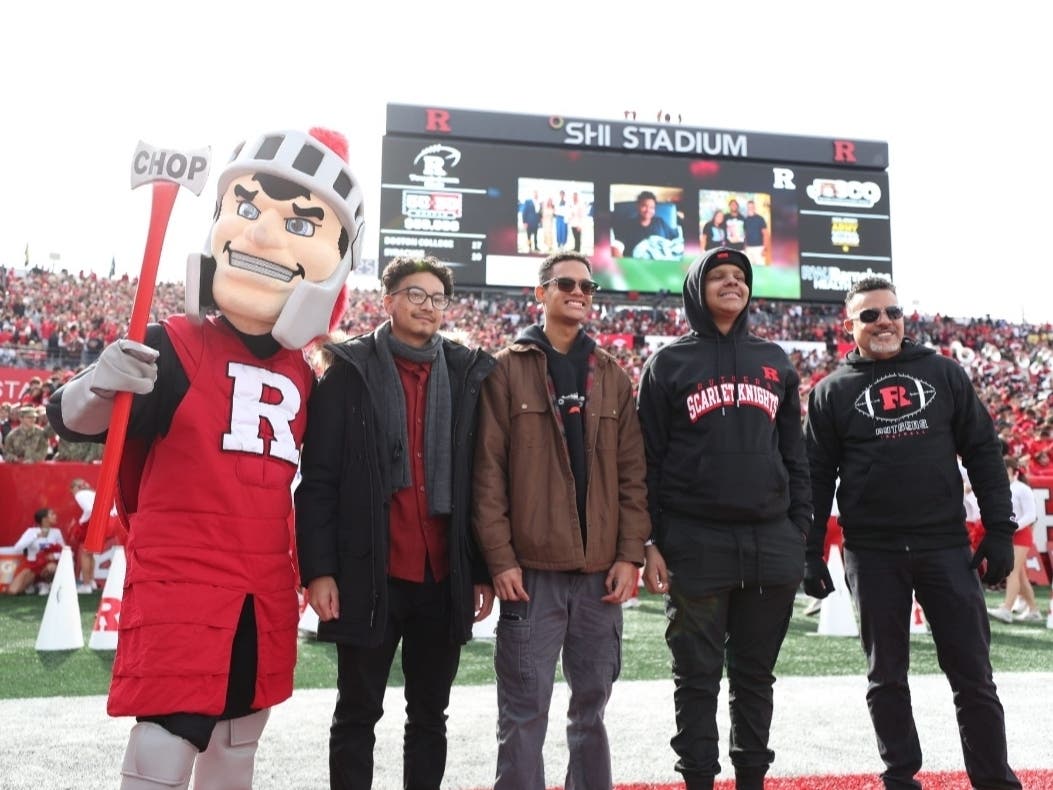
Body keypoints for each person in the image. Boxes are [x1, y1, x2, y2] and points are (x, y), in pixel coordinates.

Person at [47, 127, 365, 790]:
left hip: (262, 585)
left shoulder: (310, 375)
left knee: (236, 742)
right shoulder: (175, 343)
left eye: (300, 223)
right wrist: (98, 383)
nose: (261, 235)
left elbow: (326, 485)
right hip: (182, 580)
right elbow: (74, 421)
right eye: (246, 210)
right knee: (163, 748)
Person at [803, 276, 1021, 790]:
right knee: (886, 679)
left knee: (974, 677)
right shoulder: (831, 391)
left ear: (904, 317)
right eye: (870, 315)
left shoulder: (944, 373)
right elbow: (814, 480)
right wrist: (809, 552)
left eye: (892, 312)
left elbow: (985, 452)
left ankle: (994, 781)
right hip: (872, 551)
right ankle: (900, 778)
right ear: (850, 325)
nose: (884, 322)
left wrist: (1000, 528)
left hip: (944, 545)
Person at [295, 255, 496, 790]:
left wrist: (478, 569)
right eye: (416, 295)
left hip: (441, 575)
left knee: (430, 717)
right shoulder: (348, 372)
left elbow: (480, 480)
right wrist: (319, 572)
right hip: (368, 574)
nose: (428, 307)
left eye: (437, 298)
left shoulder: (466, 370)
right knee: (357, 715)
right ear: (387, 300)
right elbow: (317, 480)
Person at [472, 252, 651, 790]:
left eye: (588, 286)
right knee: (524, 712)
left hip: (600, 576)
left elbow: (632, 476)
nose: (580, 292)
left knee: (592, 709)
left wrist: (629, 554)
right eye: (566, 283)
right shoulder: (505, 368)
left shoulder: (614, 374)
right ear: (541, 293)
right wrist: (500, 559)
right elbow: (488, 476)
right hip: (532, 576)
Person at [636, 247, 810, 790]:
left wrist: (799, 528)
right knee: (696, 678)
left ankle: (752, 780)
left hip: (770, 541)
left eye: (741, 277)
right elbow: (648, 461)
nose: (733, 283)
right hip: (695, 540)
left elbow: (794, 455)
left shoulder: (775, 359)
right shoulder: (667, 363)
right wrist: (650, 541)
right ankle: (698, 781)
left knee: (755, 677)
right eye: (720, 276)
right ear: (696, 288)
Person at [988, 457, 1042, 623]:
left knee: (1011, 571)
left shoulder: (1022, 488)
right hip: (1009, 534)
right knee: (1020, 575)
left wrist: (1013, 526)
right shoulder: (1002, 488)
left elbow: (1031, 515)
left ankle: (1006, 609)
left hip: (1021, 534)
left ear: (1013, 471)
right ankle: (1034, 611)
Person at [5, 507, 65, 595]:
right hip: (32, 565)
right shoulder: (31, 531)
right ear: (45, 519)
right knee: (12, 591)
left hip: (47, 565)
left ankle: (45, 584)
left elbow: (65, 551)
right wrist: (35, 536)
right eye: (52, 514)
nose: (55, 516)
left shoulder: (56, 532)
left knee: (52, 567)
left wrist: (55, 556)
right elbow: (17, 548)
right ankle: (33, 585)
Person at [611, 190, 681, 260]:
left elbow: (676, 238)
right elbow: (616, 247)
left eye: (652, 207)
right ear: (638, 206)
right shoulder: (628, 225)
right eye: (644, 206)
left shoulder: (659, 222)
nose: (648, 210)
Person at [743, 200, 770, 268]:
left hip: (759, 248)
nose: (750, 208)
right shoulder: (745, 220)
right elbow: (745, 234)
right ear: (747, 208)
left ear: (755, 208)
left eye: (752, 207)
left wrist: (765, 249)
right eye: (749, 207)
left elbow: (766, 234)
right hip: (749, 249)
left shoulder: (760, 219)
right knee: (750, 269)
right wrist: (745, 247)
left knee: (761, 269)